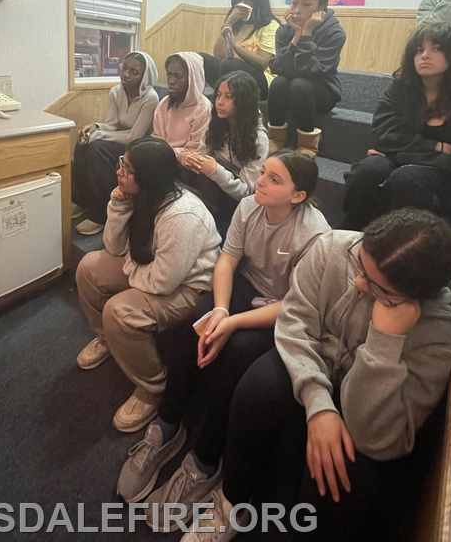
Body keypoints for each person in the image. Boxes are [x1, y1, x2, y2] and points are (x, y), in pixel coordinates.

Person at [182, 209, 451, 542]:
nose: (358, 283)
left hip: (366, 404)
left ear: (414, 299)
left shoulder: (439, 335)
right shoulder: (333, 248)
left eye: (378, 289)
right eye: (360, 263)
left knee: (346, 478)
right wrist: (319, 405)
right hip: (315, 365)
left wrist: (384, 343)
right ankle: (231, 500)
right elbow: (294, 322)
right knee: (258, 386)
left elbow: (376, 436)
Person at [116, 151, 330, 522]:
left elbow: (296, 304)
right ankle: (166, 428)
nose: (260, 181)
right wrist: (219, 310)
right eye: (262, 172)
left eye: (274, 179)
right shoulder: (249, 207)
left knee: (237, 353)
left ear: (298, 196)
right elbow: (228, 260)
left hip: (286, 309)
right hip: (249, 286)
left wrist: (233, 323)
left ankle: (204, 462)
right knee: (193, 325)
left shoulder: (314, 234)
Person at [74, 137, 221, 433]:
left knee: (119, 311)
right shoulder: (140, 195)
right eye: (122, 165)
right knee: (89, 268)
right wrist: (116, 205)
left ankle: (153, 388)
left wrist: (130, 269)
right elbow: (113, 248)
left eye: (127, 169)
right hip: (147, 268)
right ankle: (107, 340)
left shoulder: (182, 215)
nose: (119, 173)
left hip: (190, 288)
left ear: (149, 176)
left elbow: (163, 283)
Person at [340, 22, 451, 232]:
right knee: (369, 170)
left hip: (447, 179)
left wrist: (397, 155)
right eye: (419, 50)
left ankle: (395, 243)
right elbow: (382, 136)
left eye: (436, 48)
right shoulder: (399, 87)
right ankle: (352, 232)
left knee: (406, 178)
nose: (425, 55)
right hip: (423, 162)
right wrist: (439, 146)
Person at [72, 51, 158, 235]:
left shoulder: (150, 98)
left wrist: (100, 136)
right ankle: (80, 201)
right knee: (83, 142)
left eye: (134, 72)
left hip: (139, 145)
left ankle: (100, 215)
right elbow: (112, 125)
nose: (126, 74)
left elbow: (135, 136)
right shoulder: (116, 92)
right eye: (124, 68)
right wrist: (95, 127)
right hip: (122, 138)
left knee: (96, 148)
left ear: (144, 76)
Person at [180, 71, 269, 237]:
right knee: (180, 169)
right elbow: (202, 155)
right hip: (211, 183)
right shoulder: (217, 122)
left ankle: (199, 229)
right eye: (219, 95)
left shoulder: (259, 139)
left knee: (205, 184)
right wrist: (187, 157)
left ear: (244, 101)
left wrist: (215, 170)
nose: (219, 102)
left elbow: (246, 192)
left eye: (229, 97)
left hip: (233, 197)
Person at [267, 0, 347, 157]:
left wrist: (307, 33)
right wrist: (296, 34)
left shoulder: (335, 32)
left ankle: (307, 144)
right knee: (279, 83)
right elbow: (278, 68)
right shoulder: (284, 30)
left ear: (321, 8)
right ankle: (276, 138)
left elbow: (313, 70)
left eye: (306, 4)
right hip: (293, 86)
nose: (296, 11)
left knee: (300, 84)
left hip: (322, 90)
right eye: (294, 3)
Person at [200, 0, 280, 100]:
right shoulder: (237, 24)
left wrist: (235, 46)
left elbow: (262, 63)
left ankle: (225, 97)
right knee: (201, 59)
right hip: (233, 72)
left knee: (229, 64)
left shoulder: (271, 26)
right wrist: (229, 23)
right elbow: (219, 55)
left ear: (259, 1)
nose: (243, 3)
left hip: (262, 82)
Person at [152, 52, 212, 162]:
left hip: (187, 162)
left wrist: (167, 154)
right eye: (169, 75)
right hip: (162, 156)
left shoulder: (204, 109)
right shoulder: (164, 104)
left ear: (192, 78)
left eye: (178, 76)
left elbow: (197, 151)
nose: (171, 81)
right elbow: (157, 137)